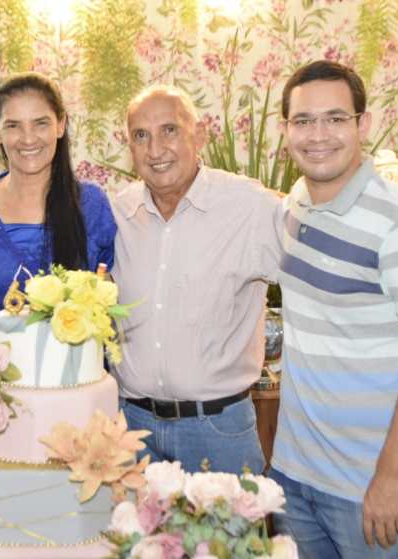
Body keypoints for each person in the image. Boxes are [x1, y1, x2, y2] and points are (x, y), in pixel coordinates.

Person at [269, 60, 398, 558]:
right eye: (303, 121)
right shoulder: (296, 204)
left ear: (362, 124)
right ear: (285, 130)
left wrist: (392, 475)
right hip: (296, 477)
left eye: (335, 118)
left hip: (375, 489)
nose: (318, 135)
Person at [110, 85, 282, 475]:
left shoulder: (249, 206)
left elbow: (316, 271)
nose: (155, 149)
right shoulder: (119, 213)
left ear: (199, 135)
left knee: (234, 520)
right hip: (132, 430)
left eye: (169, 130)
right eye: (141, 135)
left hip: (218, 432)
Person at [0, 72, 116, 340]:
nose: (28, 138)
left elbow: (113, 301)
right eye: (13, 126)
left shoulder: (91, 205)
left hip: (76, 367)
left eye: (40, 123)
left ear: (60, 125)